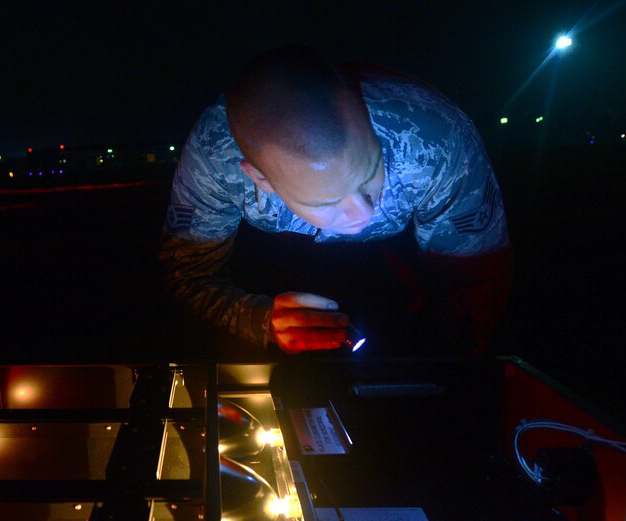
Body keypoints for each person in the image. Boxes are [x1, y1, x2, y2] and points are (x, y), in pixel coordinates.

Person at [159, 46, 512, 355]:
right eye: (325, 202)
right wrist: (259, 320)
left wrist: (442, 366)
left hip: (407, 270)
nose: (364, 212)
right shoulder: (213, 158)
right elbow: (187, 277)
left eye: (371, 171)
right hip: (271, 262)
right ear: (260, 179)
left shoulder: (436, 139)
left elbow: (478, 281)